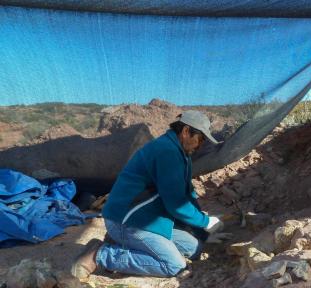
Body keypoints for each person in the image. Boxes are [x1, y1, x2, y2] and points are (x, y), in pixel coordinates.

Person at [71, 110, 224, 279]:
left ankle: (122, 244)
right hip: (127, 221)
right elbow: (176, 204)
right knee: (174, 266)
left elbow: (187, 195)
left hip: (147, 219)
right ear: (186, 131)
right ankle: (100, 255)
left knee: (194, 248)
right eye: (200, 139)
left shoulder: (181, 154)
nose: (200, 145)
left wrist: (203, 232)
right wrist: (205, 221)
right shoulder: (167, 152)